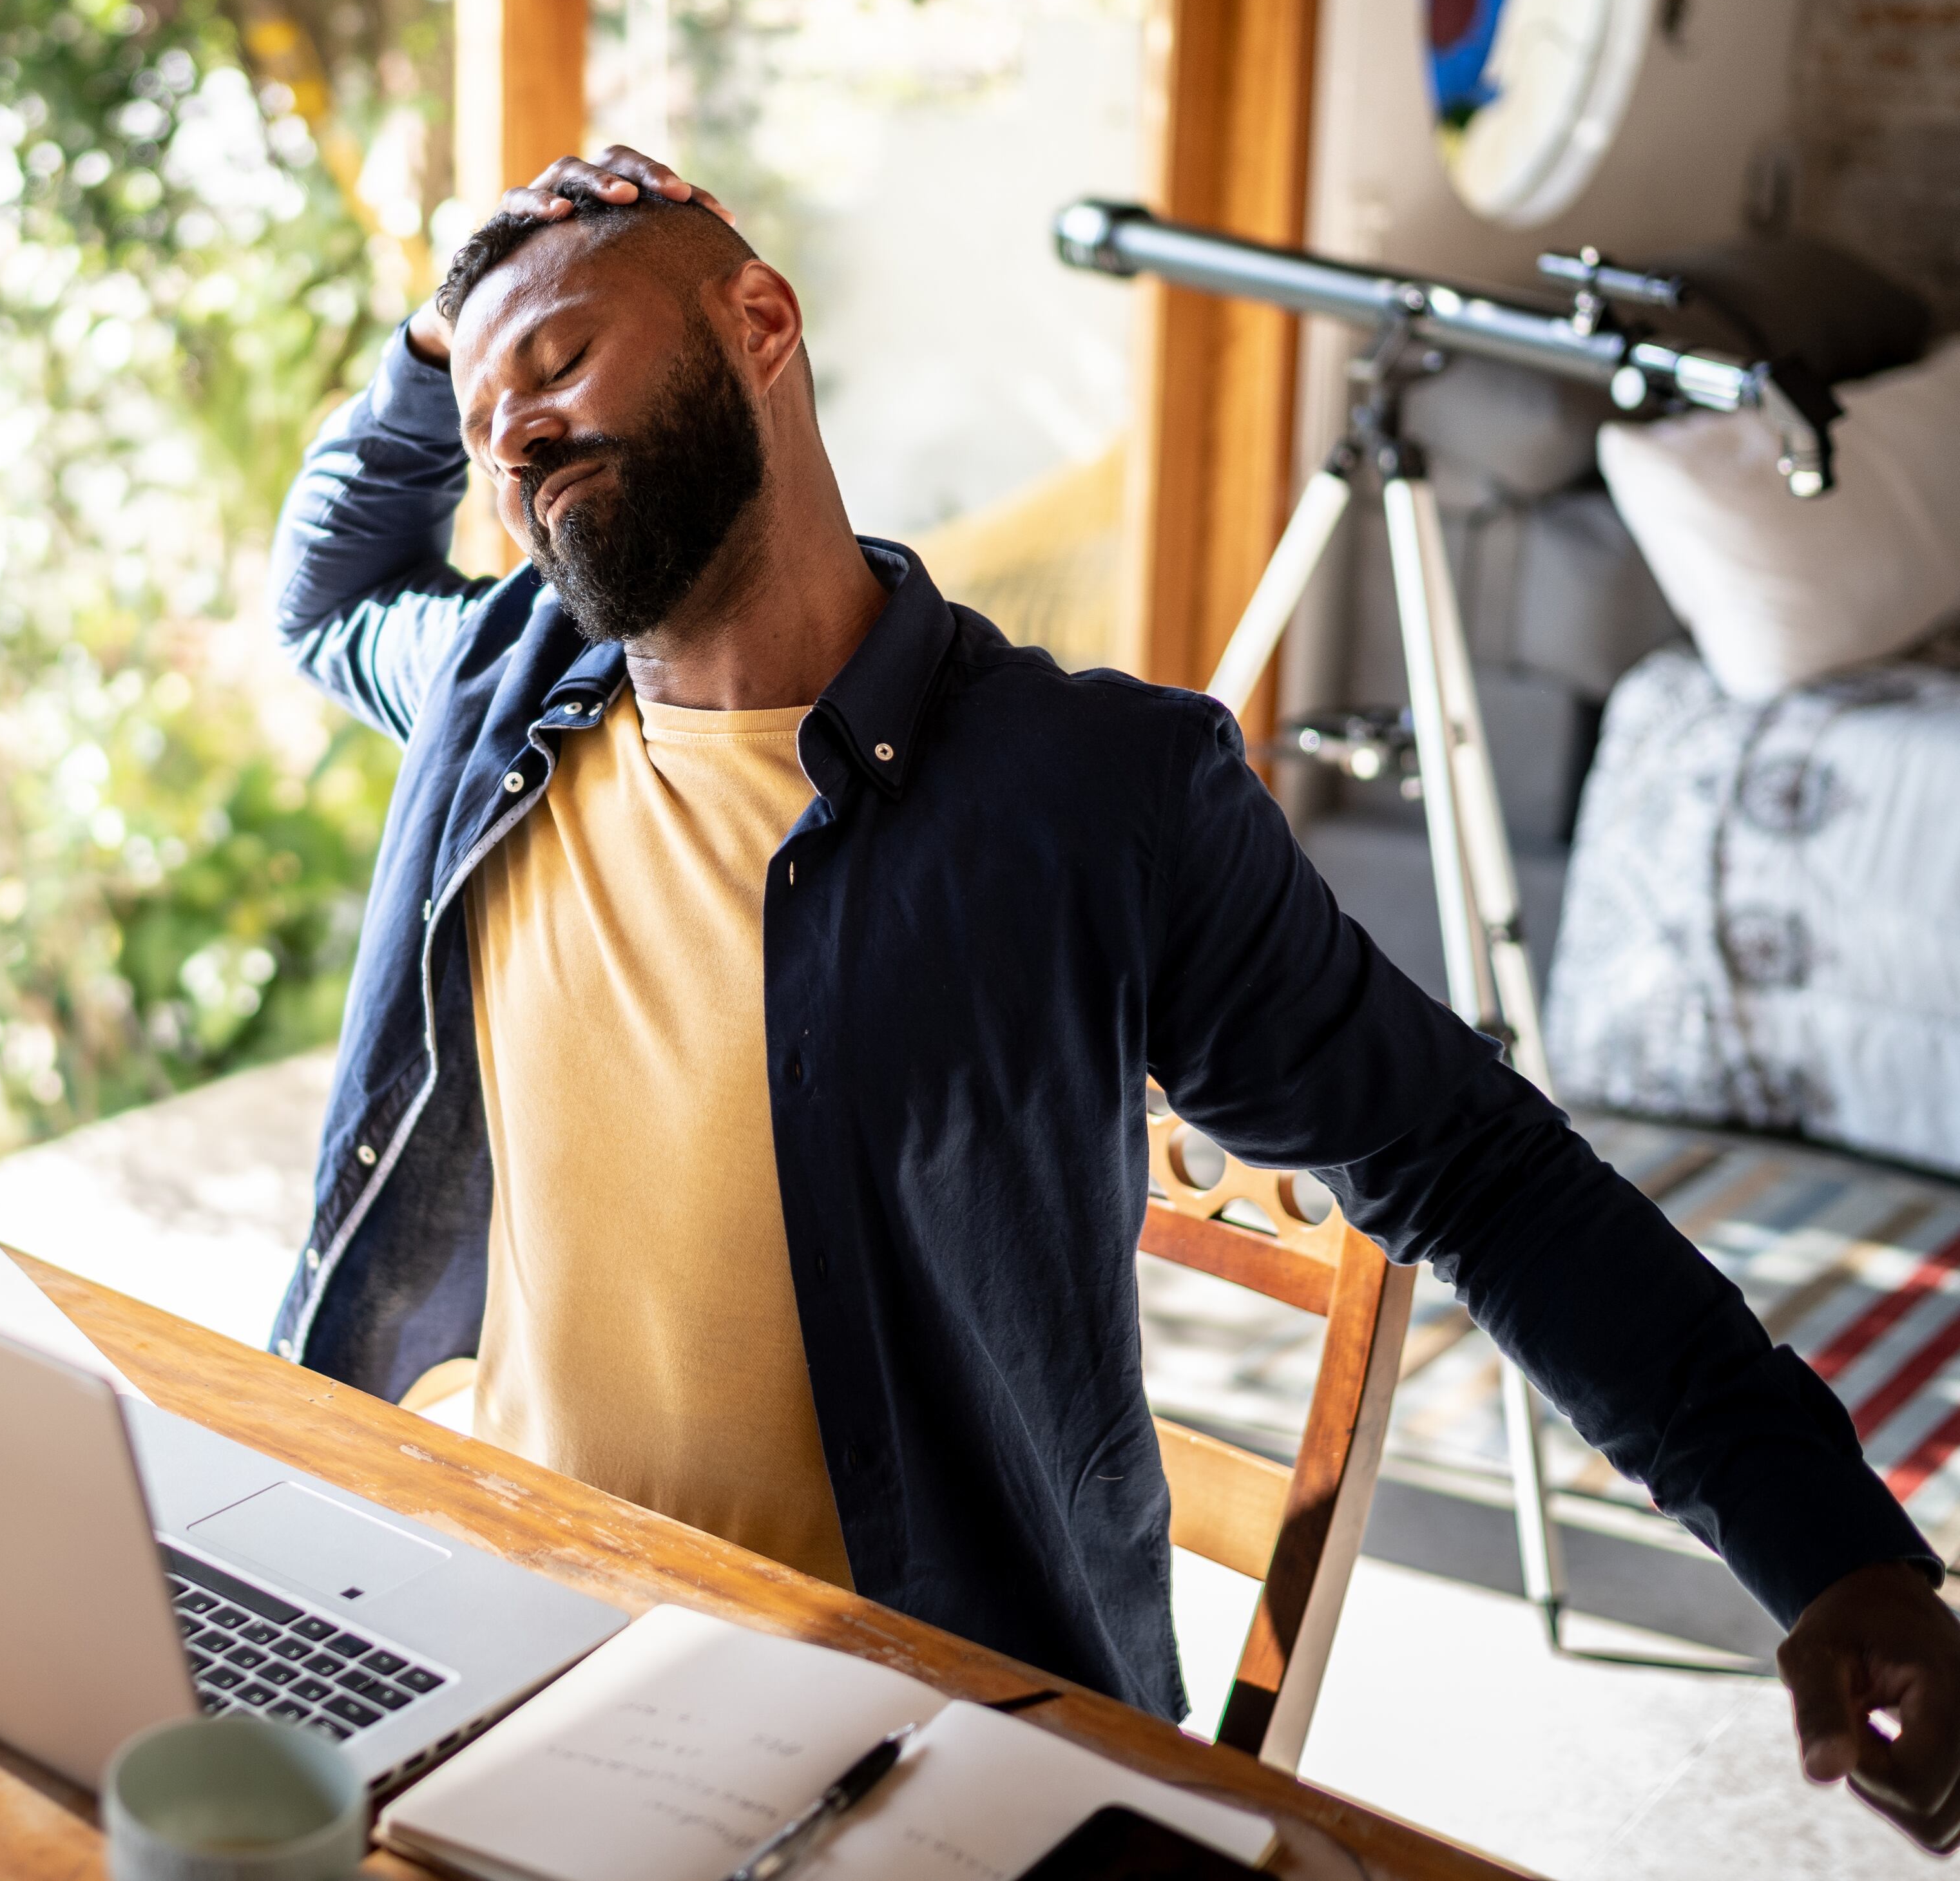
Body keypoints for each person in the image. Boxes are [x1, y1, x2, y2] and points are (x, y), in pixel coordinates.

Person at [264, 144, 1960, 1848]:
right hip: (504, 1613)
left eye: (555, 365)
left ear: (760, 323)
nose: (521, 440)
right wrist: (445, 339)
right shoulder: (496, 685)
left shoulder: (1090, 800)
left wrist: (1826, 1544)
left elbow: (1478, 1172)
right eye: (487, 428)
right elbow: (324, 591)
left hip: (896, 1721)